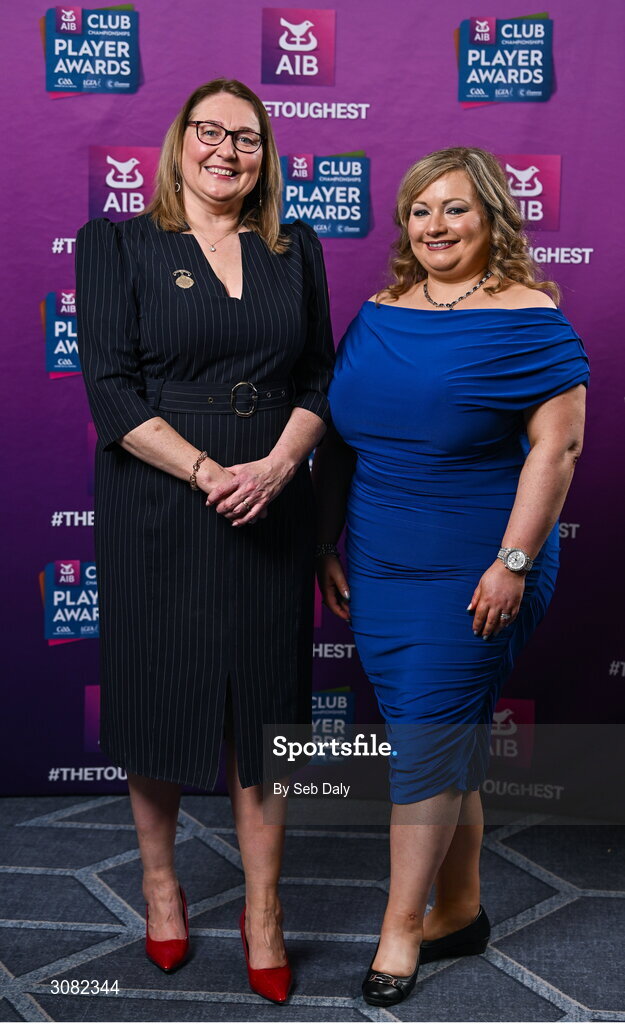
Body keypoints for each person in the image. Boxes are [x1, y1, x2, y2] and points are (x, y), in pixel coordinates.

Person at [76, 77, 333, 1002]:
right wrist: (203, 471)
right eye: (210, 132)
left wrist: (271, 469)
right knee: (161, 695)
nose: (228, 151)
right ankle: (161, 887)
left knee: (266, 711)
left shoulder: (293, 247)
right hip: (160, 495)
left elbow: (319, 376)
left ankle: (263, 907)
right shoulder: (115, 242)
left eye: (249, 139)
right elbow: (109, 387)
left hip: (271, 493)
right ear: (179, 141)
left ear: (266, 158)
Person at [313, 146, 588, 1007]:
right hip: (382, 563)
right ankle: (462, 909)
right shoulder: (379, 310)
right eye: (420, 210)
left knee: (426, 742)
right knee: (443, 740)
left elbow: (559, 448)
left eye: (455, 209)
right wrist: (327, 539)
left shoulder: (531, 319)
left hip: (477, 565)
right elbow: (342, 435)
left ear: (492, 219)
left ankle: (401, 930)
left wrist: (512, 564)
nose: (434, 226)